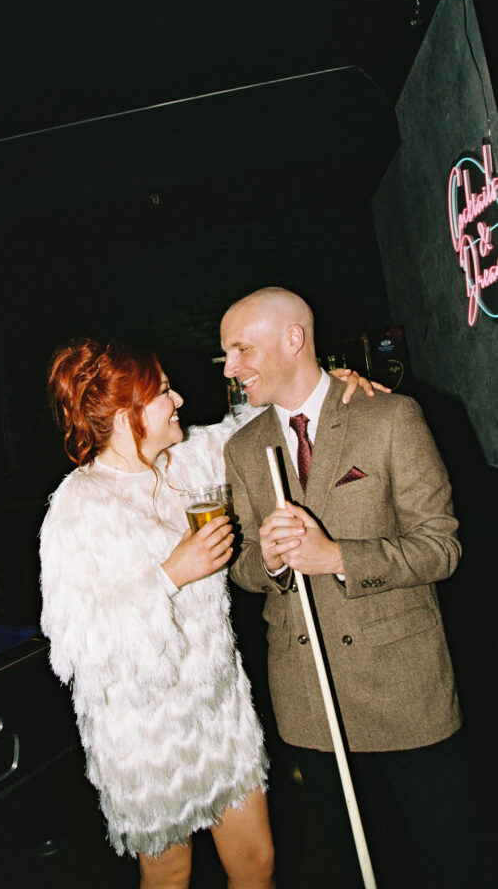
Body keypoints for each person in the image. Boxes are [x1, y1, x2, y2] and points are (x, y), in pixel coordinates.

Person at [39, 336, 375, 888]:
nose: (178, 400)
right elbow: (74, 645)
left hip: (219, 709)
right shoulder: (77, 507)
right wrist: (171, 574)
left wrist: (334, 388)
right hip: (144, 732)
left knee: (256, 863)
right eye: (164, 392)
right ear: (127, 414)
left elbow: (258, 419)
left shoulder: (187, 457)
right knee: (170, 877)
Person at [221, 286, 483, 889]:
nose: (230, 367)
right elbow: (243, 569)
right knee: (362, 868)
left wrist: (337, 556)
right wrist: (270, 562)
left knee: (452, 864)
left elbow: (442, 547)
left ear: (294, 339)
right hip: (309, 704)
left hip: (406, 694)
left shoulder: (390, 416)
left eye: (240, 349)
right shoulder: (242, 447)